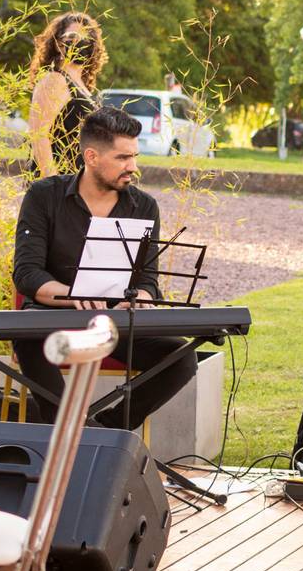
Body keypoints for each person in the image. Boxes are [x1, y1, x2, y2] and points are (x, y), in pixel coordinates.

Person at [12, 107, 197, 429]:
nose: (133, 167)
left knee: (181, 358)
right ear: (92, 156)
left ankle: (105, 432)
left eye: (135, 157)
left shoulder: (143, 206)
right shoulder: (44, 195)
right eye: (123, 158)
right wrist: (73, 295)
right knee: (29, 341)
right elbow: (27, 274)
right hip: (52, 323)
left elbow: (148, 280)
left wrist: (140, 294)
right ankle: (68, 431)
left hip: (114, 325)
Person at [28, 11, 107, 177]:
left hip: (81, 185)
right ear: (58, 43)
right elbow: (38, 135)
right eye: (72, 37)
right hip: (59, 186)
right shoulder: (55, 80)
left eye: (85, 38)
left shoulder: (84, 87)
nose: (79, 43)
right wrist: (55, 184)